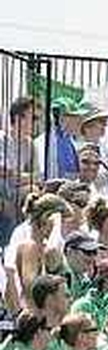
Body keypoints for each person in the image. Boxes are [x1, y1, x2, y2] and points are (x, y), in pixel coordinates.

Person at [0, 96, 39, 245]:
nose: (36, 123)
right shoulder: (2, 139)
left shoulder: (30, 145)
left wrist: (18, 176)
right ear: (18, 118)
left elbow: (38, 175)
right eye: (33, 118)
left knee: (33, 192)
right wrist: (25, 177)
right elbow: (4, 172)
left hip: (15, 192)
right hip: (3, 192)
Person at [15, 193, 70, 296]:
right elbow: (32, 288)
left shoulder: (43, 246)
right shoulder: (29, 247)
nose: (63, 229)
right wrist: (56, 225)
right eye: (62, 222)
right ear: (46, 219)